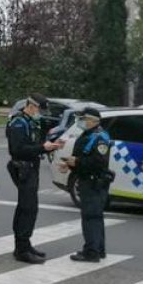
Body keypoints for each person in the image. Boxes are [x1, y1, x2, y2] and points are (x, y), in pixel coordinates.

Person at [6, 95, 61, 264]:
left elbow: (34, 145)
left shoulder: (31, 122)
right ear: (31, 106)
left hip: (31, 168)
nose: (41, 113)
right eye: (39, 109)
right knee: (27, 208)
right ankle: (21, 249)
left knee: (30, 208)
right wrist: (41, 148)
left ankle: (25, 244)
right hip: (23, 168)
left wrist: (49, 146)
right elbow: (18, 149)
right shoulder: (18, 123)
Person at [60, 107, 113, 262]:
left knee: (90, 217)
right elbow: (83, 155)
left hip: (93, 182)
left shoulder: (100, 137)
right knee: (95, 217)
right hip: (87, 180)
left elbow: (98, 162)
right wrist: (70, 165)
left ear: (92, 121)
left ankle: (91, 252)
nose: (80, 122)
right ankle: (98, 249)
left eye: (82, 119)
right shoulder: (89, 134)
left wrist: (76, 161)